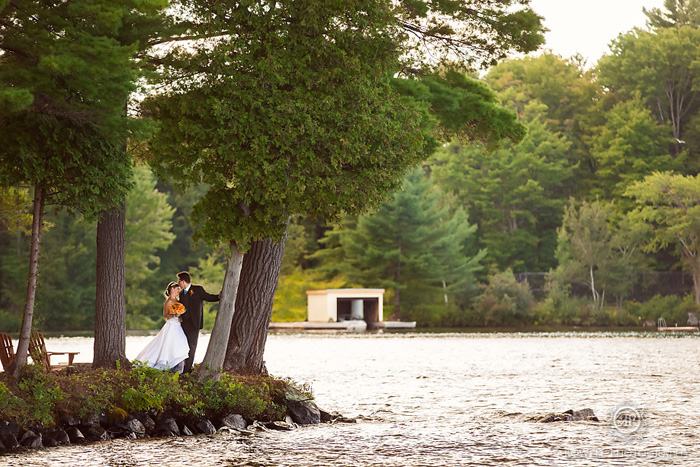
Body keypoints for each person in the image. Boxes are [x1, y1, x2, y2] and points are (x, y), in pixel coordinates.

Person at [134, 281, 190, 373]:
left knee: (180, 343)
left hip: (178, 325)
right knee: (169, 345)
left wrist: (180, 314)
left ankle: (177, 365)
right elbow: (165, 315)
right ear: (172, 289)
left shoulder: (178, 301)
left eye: (179, 289)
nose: (178, 291)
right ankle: (168, 364)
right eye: (177, 289)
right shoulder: (168, 302)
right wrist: (175, 315)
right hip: (171, 325)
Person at [177, 271, 220, 373]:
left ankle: (187, 370)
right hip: (183, 324)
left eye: (179, 281)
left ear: (183, 281)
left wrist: (219, 296)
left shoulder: (197, 289)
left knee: (192, 346)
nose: (178, 283)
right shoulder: (182, 294)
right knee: (184, 346)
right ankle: (184, 367)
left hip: (194, 324)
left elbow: (208, 297)